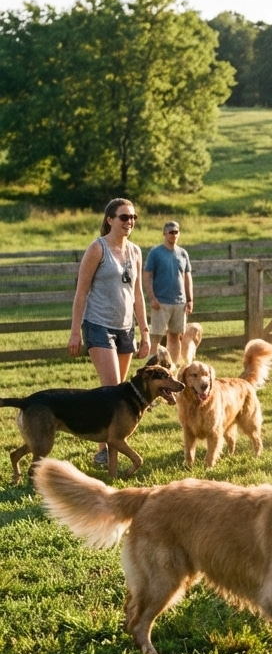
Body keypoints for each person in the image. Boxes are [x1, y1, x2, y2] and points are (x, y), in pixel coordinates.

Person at [67, 197, 152, 465]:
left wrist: (145, 332)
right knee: (113, 389)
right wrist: (74, 332)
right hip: (98, 325)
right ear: (110, 219)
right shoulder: (97, 248)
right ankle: (105, 450)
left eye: (133, 217)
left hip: (126, 328)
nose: (130, 222)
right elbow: (81, 292)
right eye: (124, 217)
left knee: (118, 395)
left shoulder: (136, 252)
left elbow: (138, 293)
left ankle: (108, 447)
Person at [143, 220, 194, 366]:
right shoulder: (156, 253)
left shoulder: (183, 253)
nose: (173, 235)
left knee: (175, 337)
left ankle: (172, 368)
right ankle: (151, 367)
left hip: (179, 302)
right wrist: (152, 298)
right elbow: (147, 276)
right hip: (161, 302)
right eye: (170, 232)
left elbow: (187, 277)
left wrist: (189, 299)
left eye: (176, 232)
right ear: (164, 233)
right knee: (156, 337)